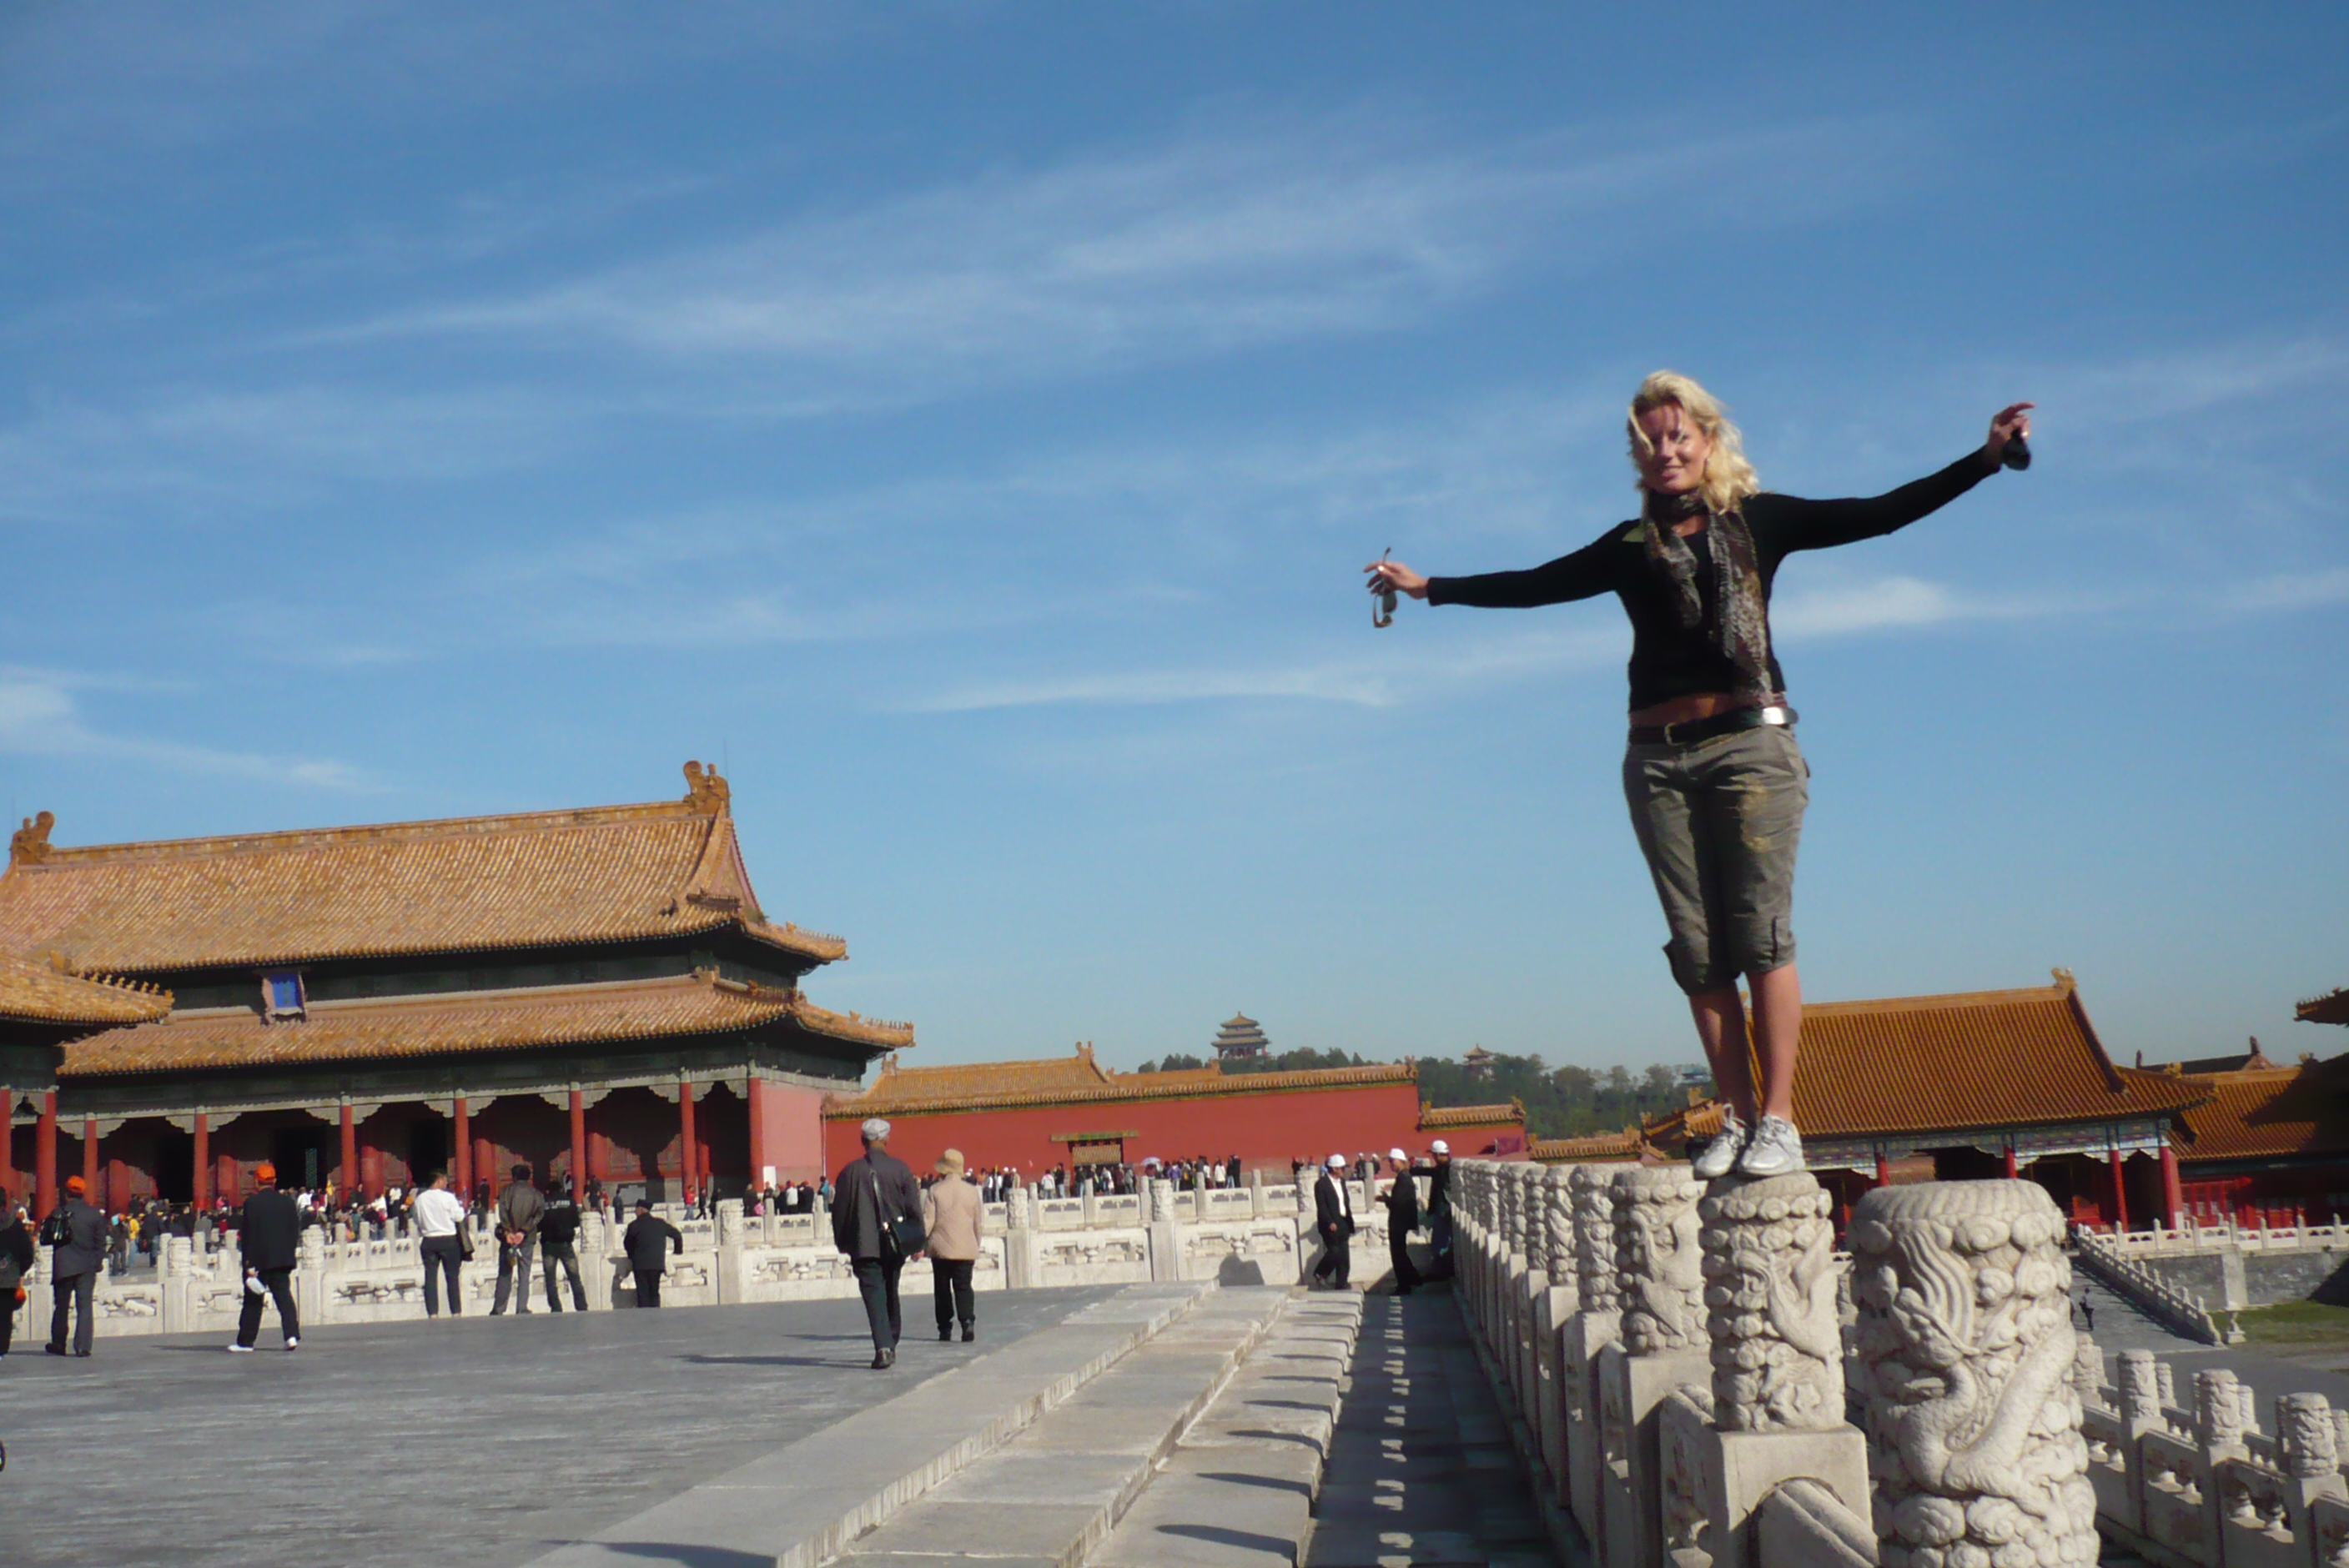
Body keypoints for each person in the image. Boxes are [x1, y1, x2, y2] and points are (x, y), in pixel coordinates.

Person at [1368, 374, 2033, 1180]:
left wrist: (1986, 459)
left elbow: (1879, 514)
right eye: (1650, 441)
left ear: (1709, 441)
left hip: (1751, 746)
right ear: (1638, 457)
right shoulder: (1625, 547)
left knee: (1761, 936)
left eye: (1679, 436)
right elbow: (1535, 584)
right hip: (1657, 761)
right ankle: (1740, 1117)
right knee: (1699, 949)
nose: (1666, 451)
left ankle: (1780, 1119)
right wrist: (1430, 587)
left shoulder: (1761, 521)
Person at [832, 1116, 923, 1369]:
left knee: (874, 1294)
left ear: (863, 1140)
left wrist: (841, 1241)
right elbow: (913, 1207)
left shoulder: (850, 1172)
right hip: (894, 1243)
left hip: (864, 1244)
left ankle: (883, 1346)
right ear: (886, 1139)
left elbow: (839, 1211)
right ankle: (890, 1339)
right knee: (891, 1289)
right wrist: (917, 1242)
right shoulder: (900, 1169)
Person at [230, 1162, 302, 1352]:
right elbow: (294, 1231)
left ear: (256, 1181)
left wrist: (249, 1263)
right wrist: (289, 1256)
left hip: (260, 1262)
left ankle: (246, 1342)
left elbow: (249, 1235)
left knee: (253, 1302)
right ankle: (291, 1336)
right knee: (284, 1299)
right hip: (282, 1260)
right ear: (274, 1181)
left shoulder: (252, 1203)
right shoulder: (287, 1202)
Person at [41, 1174, 106, 1357]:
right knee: (84, 1306)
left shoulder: (58, 1213)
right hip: (87, 1266)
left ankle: (59, 1344)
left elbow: (45, 1238)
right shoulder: (94, 1214)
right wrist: (97, 1263)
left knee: (61, 1306)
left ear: (66, 1194)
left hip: (64, 1266)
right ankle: (83, 1346)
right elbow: (101, 1244)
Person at [923, 1148, 983, 1344]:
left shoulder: (935, 1190)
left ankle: (945, 1328)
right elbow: (978, 1223)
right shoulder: (972, 1191)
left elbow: (928, 1222)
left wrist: (919, 1244)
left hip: (940, 1249)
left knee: (942, 1289)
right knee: (964, 1286)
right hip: (966, 1248)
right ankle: (967, 1323)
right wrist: (976, 1244)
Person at [490, 1163, 546, 1315]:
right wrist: (523, 1231)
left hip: (507, 1239)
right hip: (526, 1239)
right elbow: (539, 1215)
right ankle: (521, 1307)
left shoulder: (505, 1192)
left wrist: (508, 1232)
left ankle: (499, 1308)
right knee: (524, 1272)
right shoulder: (536, 1194)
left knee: (505, 1273)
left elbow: (501, 1213)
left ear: (514, 1177)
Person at [412, 1170, 468, 1318]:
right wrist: (462, 1209)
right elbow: (458, 1216)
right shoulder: (448, 1197)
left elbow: (416, 1219)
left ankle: (432, 1313)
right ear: (438, 1181)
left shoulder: (420, 1199)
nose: (446, 1184)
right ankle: (455, 1311)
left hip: (429, 1240)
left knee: (430, 1277)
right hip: (448, 1240)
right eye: (444, 1181)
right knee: (452, 1277)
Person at [622, 1199, 683, 1307]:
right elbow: (677, 1235)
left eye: (636, 1209)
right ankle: (655, 1316)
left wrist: (632, 1256)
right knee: (654, 1292)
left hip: (640, 1265)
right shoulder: (660, 1223)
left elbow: (627, 1244)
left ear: (640, 1209)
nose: (635, 1211)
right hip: (656, 1264)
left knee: (642, 1294)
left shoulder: (634, 1226)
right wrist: (678, 1251)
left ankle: (644, 1319)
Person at [539, 1183, 588, 1313]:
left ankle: (556, 1307)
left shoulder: (543, 1202)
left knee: (550, 1278)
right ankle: (581, 1306)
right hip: (565, 1243)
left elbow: (538, 1224)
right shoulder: (569, 1201)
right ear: (562, 1189)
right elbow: (576, 1222)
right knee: (574, 1276)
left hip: (548, 1244)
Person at [1379, 1148, 1422, 1297]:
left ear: (1400, 1160)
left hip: (1399, 1222)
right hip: (1401, 1221)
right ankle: (1414, 1279)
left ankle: (1405, 1285)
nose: (1391, 1164)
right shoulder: (1404, 1177)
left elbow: (1396, 1202)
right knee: (1401, 1253)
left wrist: (1385, 1198)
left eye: (1392, 1161)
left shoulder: (1403, 1178)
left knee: (1398, 1254)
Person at [1311, 1153, 1356, 1290]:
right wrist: (1329, 1221)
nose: (1343, 1171)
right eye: (1342, 1168)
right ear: (1334, 1169)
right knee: (1334, 1252)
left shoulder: (1342, 1182)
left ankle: (1342, 1283)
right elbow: (1322, 1206)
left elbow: (1344, 1202)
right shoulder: (1321, 1184)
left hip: (1343, 1221)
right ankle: (1320, 1272)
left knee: (1344, 1255)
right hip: (1330, 1224)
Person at [0, 1191, 33, 1357]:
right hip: (9, 1277)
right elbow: (27, 1252)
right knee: (5, 1314)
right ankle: (2, 1347)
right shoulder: (16, 1224)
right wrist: (20, 1270)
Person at [1421, 1140, 1453, 1274]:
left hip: (1445, 1211)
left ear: (1441, 1154)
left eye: (1434, 1155)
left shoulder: (1449, 1169)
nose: (1433, 1158)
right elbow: (1430, 1172)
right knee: (1438, 1241)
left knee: (1442, 1243)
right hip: (1440, 1209)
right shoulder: (1440, 1169)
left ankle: (1441, 1271)